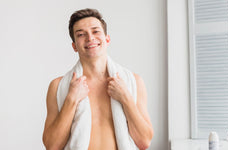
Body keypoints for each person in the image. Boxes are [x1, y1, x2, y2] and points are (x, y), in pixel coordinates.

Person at [42, 8, 153, 150]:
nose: (90, 38)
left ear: (107, 39)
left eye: (95, 31)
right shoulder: (57, 86)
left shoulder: (133, 82)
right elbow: (52, 146)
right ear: (74, 46)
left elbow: (144, 142)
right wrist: (71, 99)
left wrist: (126, 98)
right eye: (81, 34)